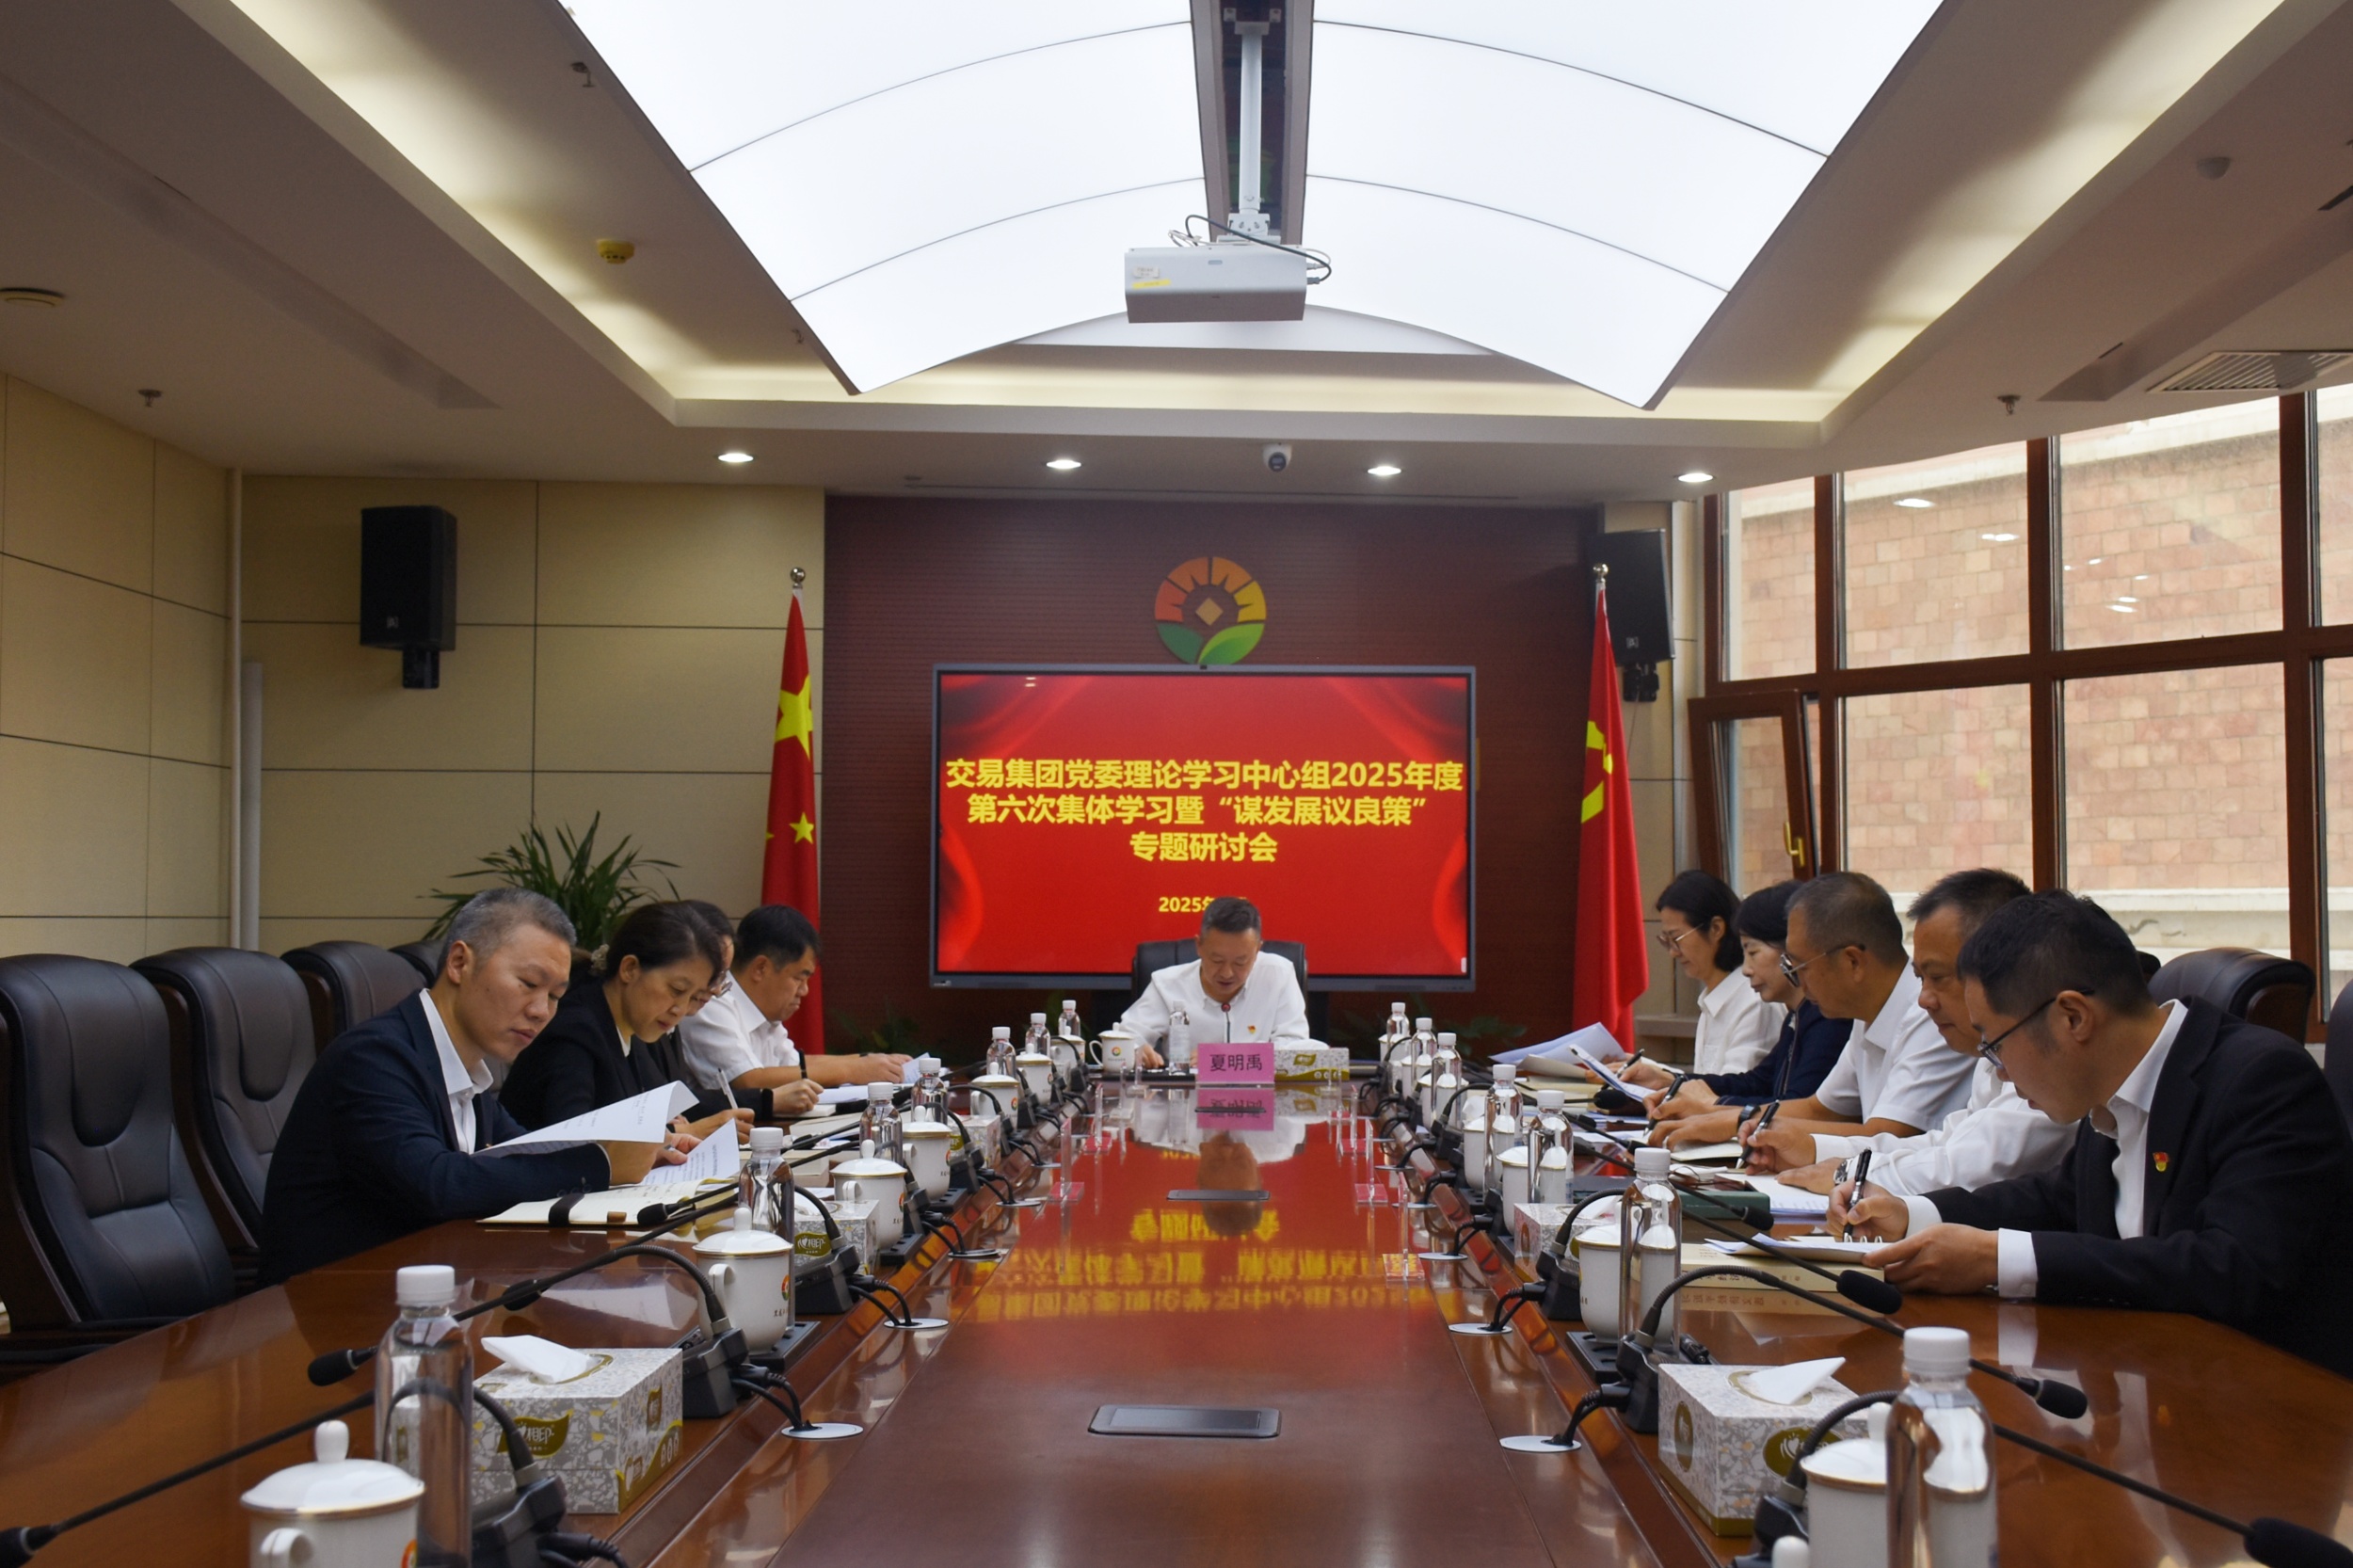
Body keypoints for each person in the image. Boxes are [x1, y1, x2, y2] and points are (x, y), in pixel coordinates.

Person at [1840, 890, 2353, 1377]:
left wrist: (1995, 1258)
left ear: (2073, 1017)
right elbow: (2058, 1199)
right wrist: (1913, 1215)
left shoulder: (2260, 1080)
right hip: (2148, 1371)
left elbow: (2230, 1268)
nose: (2000, 1072)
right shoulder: (2109, 1088)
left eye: (1995, 1045)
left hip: (2266, 1402)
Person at [257, 888, 686, 1282]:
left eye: (555, 996)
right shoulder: (374, 1058)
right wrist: (602, 1164)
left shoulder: (466, 1072)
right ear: (460, 963)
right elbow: (438, 1184)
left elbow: (526, 1151)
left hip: (430, 1291)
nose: (541, 1010)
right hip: (331, 1306)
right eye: (529, 984)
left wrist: (629, 1149)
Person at [1743, 869, 2073, 1194]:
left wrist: (1846, 1171)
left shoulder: (2046, 1057)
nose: (1924, 999)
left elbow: (1968, 1166)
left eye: (1938, 977)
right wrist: (1814, 1149)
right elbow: (1944, 1143)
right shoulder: (1989, 1055)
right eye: (1920, 978)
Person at [1717, 871, 1973, 1159]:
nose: (1798, 982)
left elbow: (1886, 1135)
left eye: (1799, 967)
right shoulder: (1866, 1013)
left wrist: (1741, 1123)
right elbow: (1820, 1108)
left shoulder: (1930, 1014)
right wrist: (1727, 1118)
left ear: (1852, 961)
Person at [498, 901, 752, 1139]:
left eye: (693, 997)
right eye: (676, 990)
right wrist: (675, 1136)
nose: (681, 1009)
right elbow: (572, 1142)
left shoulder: (632, 1026)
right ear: (630, 968)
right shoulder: (575, 1033)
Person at [1638, 881, 1852, 1143]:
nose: (1747, 969)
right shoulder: (1798, 1014)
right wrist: (1678, 1085)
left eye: (1753, 952)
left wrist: (1714, 1105)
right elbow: (1758, 1081)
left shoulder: (1829, 1017)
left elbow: (1801, 1105)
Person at [677, 904, 909, 1108]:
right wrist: (852, 1070)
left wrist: (868, 1060)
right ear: (761, 968)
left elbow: (795, 1065)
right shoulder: (711, 1003)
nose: (805, 990)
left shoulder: (764, 1014)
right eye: (799, 978)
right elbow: (748, 1081)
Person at [1120, 897, 1309, 1069]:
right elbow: (1125, 1037)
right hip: (1188, 1093)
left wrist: (1228, 1057)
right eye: (1217, 960)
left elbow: (1296, 1048)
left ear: (1257, 950)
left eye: (1240, 962)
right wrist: (1135, 1050)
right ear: (1199, 946)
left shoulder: (1278, 975)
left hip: (1262, 1093)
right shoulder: (1167, 985)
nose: (1227, 973)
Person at [1660, 871, 1780, 1074]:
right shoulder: (1712, 998)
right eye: (1667, 941)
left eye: (1676, 939)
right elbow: (1706, 1082)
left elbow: (1734, 1087)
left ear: (1716, 928)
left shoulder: (1754, 1001)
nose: (1673, 952)